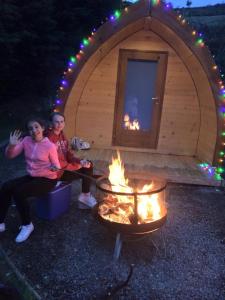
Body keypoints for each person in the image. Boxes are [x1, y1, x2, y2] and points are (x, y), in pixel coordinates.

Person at [0, 118, 60, 243]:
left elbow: (57, 166)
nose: (34, 130)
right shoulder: (26, 141)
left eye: (36, 127)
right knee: (6, 186)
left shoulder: (50, 146)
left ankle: (27, 225)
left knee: (19, 192)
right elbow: (10, 155)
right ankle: (0, 222)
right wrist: (11, 145)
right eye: (30, 128)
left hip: (47, 179)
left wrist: (54, 168)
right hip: (32, 176)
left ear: (42, 128)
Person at [47, 112, 97, 209]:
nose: (59, 124)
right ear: (51, 123)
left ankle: (85, 195)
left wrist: (79, 161)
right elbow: (55, 162)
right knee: (86, 169)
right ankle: (85, 196)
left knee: (88, 164)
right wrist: (74, 166)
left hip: (65, 168)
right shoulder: (49, 138)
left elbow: (68, 154)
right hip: (57, 172)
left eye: (61, 121)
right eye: (56, 122)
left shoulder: (62, 135)